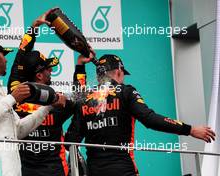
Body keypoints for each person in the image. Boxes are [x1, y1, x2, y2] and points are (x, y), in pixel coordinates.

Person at [65, 54, 216, 176]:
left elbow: (70, 141)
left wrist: (80, 66)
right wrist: (190, 130)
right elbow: (150, 119)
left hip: (94, 171)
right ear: (118, 71)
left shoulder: (86, 99)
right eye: (123, 74)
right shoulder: (125, 91)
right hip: (123, 170)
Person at [0, 37, 65, 175]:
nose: (5, 60)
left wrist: (47, 108)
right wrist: (12, 98)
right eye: (3, 55)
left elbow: (19, 130)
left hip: (11, 165)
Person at [7, 10, 91, 176]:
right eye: (48, 68)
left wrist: (33, 28)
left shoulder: (15, 94)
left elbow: (19, 60)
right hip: (55, 171)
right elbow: (81, 99)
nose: (51, 70)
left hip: (23, 171)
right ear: (39, 75)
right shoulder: (57, 100)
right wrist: (80, 65)